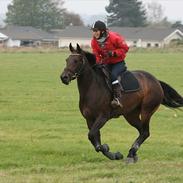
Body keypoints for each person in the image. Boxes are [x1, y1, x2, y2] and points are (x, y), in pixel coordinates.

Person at [91, 20, 129, 108]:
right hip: (106, 63)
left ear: (102, 31)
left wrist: (114, 53)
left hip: (118, 63)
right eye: (93, 31)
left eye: (96, 31)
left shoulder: (114, 38)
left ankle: (117, 98)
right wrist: (97, 63)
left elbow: (125, 48)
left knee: (113, 75)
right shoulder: (94, 41)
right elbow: (96, 54)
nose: (94, 33)